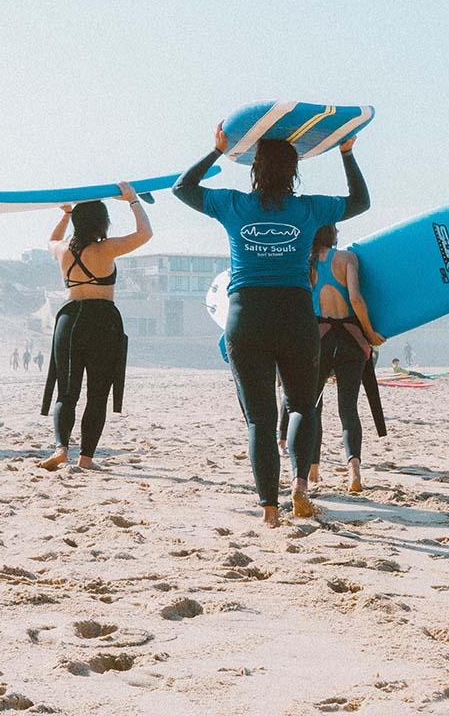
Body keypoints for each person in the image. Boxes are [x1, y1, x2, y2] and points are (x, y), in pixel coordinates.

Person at [174, 124, 369, 526]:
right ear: (295, 171)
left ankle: (268, 509)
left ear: (254, 169)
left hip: (246, 315)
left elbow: (182, 188)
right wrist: (346, 152)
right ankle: (299, 486)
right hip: (295, 314)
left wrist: (215, 150)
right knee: (301, 404)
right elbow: (360, 202)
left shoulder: (233, 205)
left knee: (260, 419)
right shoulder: (309, 209)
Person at [37, 186, 150, 471]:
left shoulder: (63, 249)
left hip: (69, 319)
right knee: (98, 393)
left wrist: (66, 215)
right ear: (103, 222)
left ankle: (61, 448)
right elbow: (145, 233)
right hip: (102, 321)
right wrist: (133, 201)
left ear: (77, 222)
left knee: (67, 392)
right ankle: (86, 458)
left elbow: (51, 240)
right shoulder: (106, 248)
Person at [308, 224, 385, 493]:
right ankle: (354, 472)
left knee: (312, 406)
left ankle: (312, 468)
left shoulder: (305, 264)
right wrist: (370, 333)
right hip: (351, 340)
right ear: (333, 235)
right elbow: (356, 298)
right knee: (348, 409)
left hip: (319, 340)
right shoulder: (347, 259)